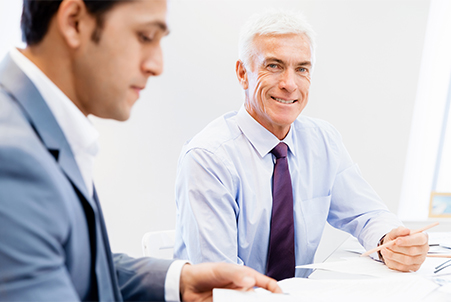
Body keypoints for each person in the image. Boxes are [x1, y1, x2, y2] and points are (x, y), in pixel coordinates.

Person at [0, 0, 281, 301]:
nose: (156, 66)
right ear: (74, 22)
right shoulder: (12, 159)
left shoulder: (39, 130)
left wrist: (179, 281)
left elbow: (67, 266)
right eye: (145, 36)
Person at [174, 10, 429, 280]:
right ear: (242, 73)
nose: (289, 84)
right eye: (273, 66)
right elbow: (220, 282)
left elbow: (367, 214)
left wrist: (389, 240)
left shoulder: (322, 142)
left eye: (302, 69)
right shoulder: (207, 158)